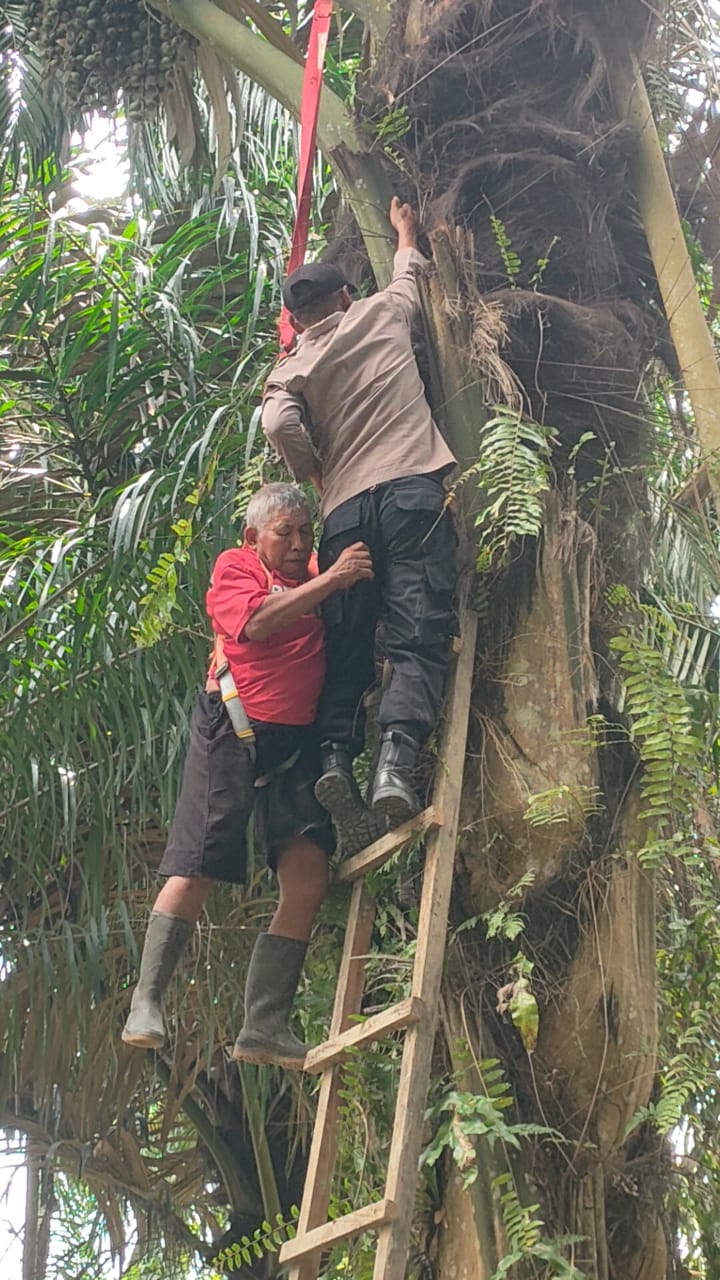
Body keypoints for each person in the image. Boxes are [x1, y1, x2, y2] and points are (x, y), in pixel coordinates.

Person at [121, 482, 373, 1069]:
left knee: (308, 876)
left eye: (305, 532)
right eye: (285, 532)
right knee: (201, 863)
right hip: (232, 728)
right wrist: (332, 579)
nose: (298, 542)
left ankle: (264, 1024)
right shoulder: (237, 569)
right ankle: (147, 999)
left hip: (294, 748)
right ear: (253, 536)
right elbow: (255, 624)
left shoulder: (312, 567)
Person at [261, 198, 458, 845]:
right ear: (346, 297)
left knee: (349, 646)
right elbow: (409, 275)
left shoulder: (291, 369)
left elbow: (278, 423)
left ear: (296, 320)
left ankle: (337, 762)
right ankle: (395, 768)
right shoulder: (381, 313)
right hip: (409, 489)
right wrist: (404, 232)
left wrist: (315, 472)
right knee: (416, 628)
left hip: (345, 512)